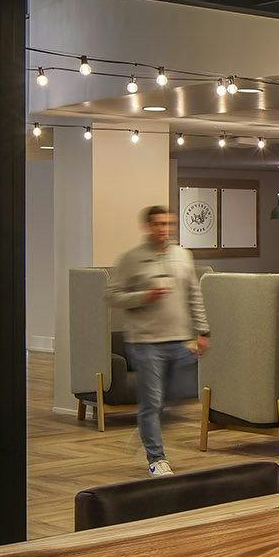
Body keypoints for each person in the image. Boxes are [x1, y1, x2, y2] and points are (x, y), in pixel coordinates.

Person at [106, 204, 208, 476]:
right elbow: (112, 296)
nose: (164, 229)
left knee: (181, 393)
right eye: (159, 224)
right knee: (152, 401)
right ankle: (156, 458)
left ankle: (145, 426)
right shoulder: (132, 259)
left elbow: (194, 294)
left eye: (168, 224)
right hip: (145, 341)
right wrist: (144, 296)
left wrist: (202, 330)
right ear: (148, 227)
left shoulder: (183, 256)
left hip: (179, 340)